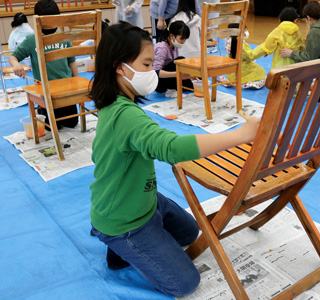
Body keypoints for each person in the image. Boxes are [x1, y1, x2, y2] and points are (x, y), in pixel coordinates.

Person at [88, 21, 260, 297]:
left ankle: (130, 235)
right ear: (120, 67)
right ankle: (116, 242)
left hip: (143, 200)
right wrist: (239, 135)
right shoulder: (124, 115)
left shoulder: (120, 104)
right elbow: (171, 148)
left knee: (191, 234)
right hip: (124, 220)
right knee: (183, 282)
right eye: (146, 65)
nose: (152, 72)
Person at [9, 0, 79, 129]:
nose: (51, 26)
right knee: (52, 126)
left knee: (72, 123)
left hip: (66, 90)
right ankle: (41, 110)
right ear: (38, 21)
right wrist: (16, 65)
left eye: (54, 21)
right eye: (47, 22)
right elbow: (13, 57)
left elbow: (72, 62)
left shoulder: (63, 37)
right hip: (46, 92)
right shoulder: (32, 40)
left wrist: (76, 83)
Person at [153, 20, 193, 98]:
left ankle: (174, 87)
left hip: (169, 77)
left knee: (192, 86)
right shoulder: (162, 47)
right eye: (182, 38)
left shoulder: (174, 46)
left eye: (185, 39)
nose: (183, 42)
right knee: (180, 60)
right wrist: (177, 73)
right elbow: (156, 72)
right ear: (172, 36)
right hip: (159, 83)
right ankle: (170, 91)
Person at [219, 24, 266, 89]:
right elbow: (251, 55)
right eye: (245, 30)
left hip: (231, 72)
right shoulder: (240, 44)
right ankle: (249, 83)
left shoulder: (229, 41)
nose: (246, 32)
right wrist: (263, 48)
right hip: (240, 69)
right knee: (261, 71)